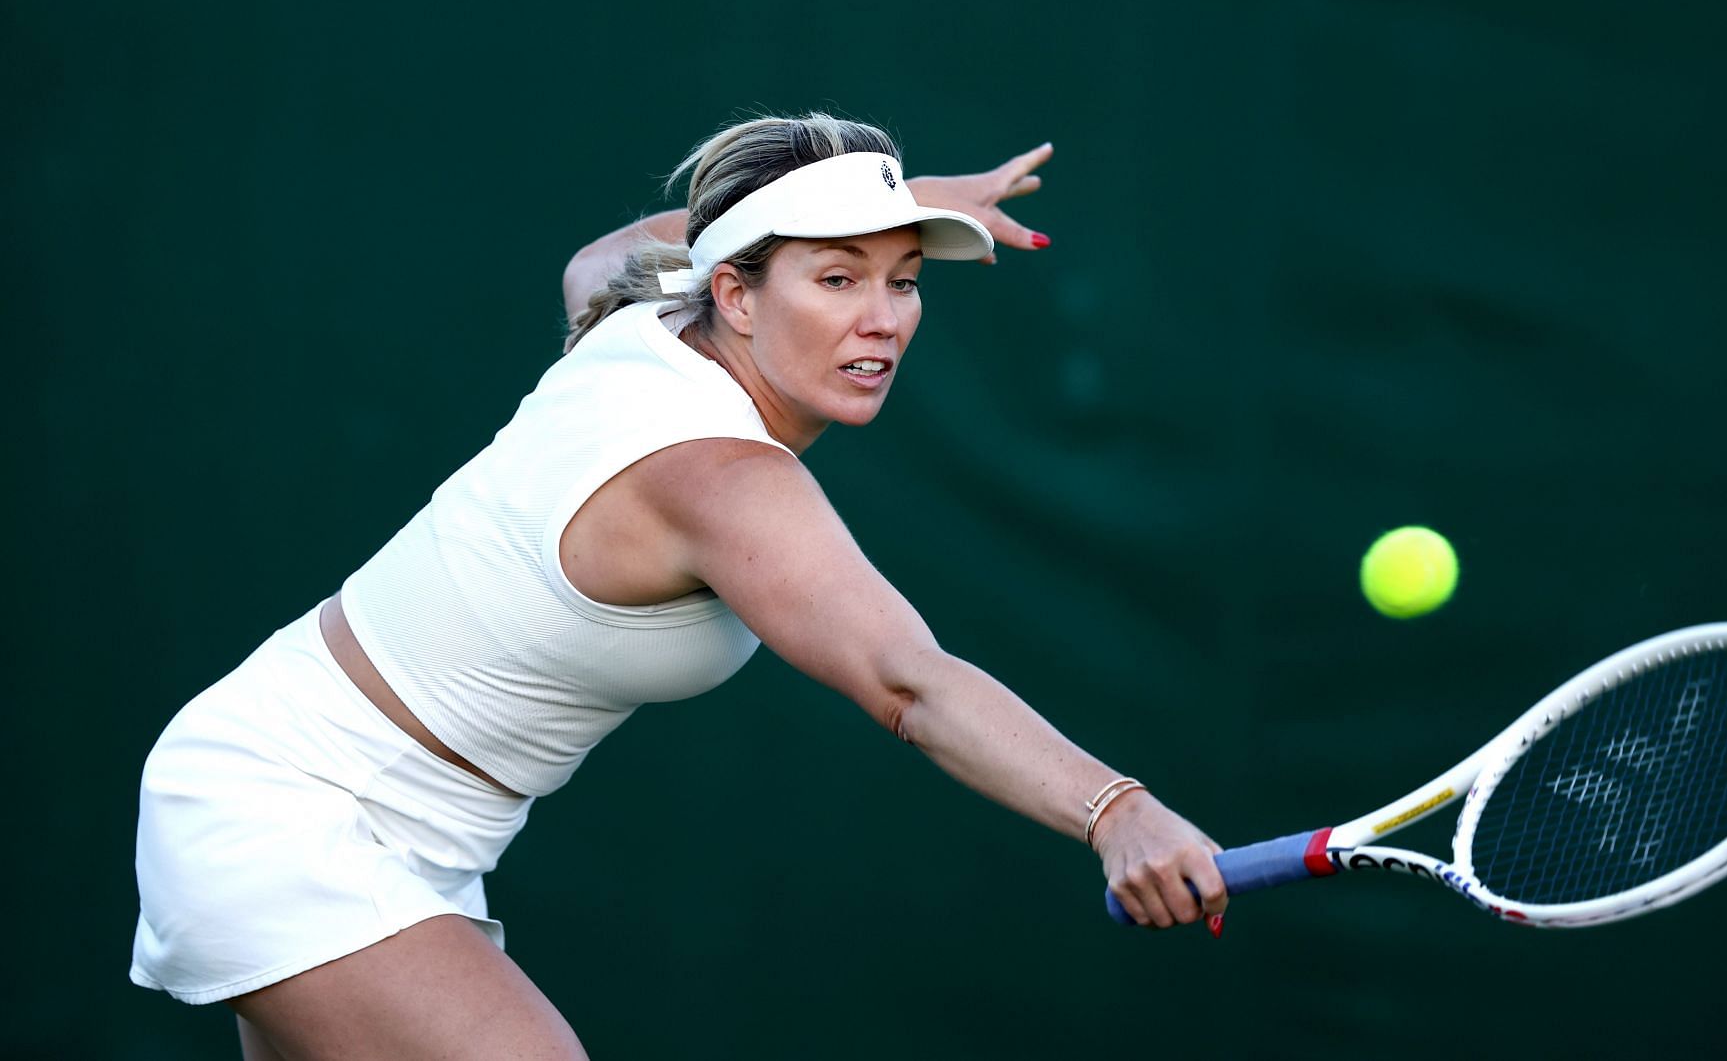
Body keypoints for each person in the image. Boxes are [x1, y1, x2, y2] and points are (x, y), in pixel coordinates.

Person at [131, 113, 1228, 1060]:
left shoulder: (636, 314)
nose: (883, 318)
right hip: (288, 814)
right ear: (738, 295)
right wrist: (1114, 810)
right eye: (837, 278)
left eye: (903, 279)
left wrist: (900, 201)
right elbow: (910, 683)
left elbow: (610, 251)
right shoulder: (723, 479)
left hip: (363, 818)